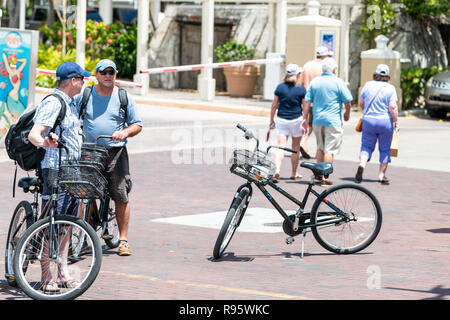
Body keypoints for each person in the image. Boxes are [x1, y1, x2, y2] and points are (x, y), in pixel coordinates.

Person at [28, 61, 90, 292]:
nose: (84, 83)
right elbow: (35, 134)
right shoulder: (54, 103)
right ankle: (46, 274)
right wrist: (44, 143)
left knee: (66, 225)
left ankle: (63, 272)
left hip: (71, 170)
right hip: (55, 169)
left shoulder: (71, 104)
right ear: (73, 81)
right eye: (82, 79)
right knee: (52, 223)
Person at [75, 59, 143, 256]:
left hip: (115, 152)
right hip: (89, 152)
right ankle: (85, 236)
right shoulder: (85, 94)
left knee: (121, 195)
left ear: (115, 74)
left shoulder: (123, 97)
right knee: (84, 195)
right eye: (103, 72)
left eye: (111, 72)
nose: (107, 76)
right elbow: (72, 115)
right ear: (96, 75)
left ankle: (123, 240)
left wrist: (125, 132)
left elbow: (137, 124)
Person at [304, 57, 353, 185]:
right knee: (329, 150)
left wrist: (305, 118)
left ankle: (318, 176)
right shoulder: (338, 82)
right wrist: (347, 113)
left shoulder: (315, 82)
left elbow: (307, 101)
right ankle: (325, 177)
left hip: (317, 120)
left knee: (320, 147)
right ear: (333, 69)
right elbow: (348, 101)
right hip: (333, 121)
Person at [355, 64, 399, 184]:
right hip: (385, 121)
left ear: (376, 74)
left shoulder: (368, 85)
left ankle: (362, 165)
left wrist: (367, 111)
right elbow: (393, 106)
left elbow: (361, 103)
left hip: (369, 120)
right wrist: (396, 121)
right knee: (385, 148)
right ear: (388, 76)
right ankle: (381, 175)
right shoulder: (391, 88)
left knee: (366, 146)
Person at [269, 63, 308, 183]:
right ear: (297, 74)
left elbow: (274, 105)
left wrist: (271, 119)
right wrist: (305, 119)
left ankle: (277, 170)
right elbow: (305, 105)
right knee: (295, 147)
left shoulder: (280, 87)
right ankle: (293, 173)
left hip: (281, 119)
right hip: (296, 119)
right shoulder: (301, 89)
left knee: (281, 146)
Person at [300, 46, 330, 159]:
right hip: (319, 100)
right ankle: (304, 142)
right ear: (325, 55)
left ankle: (303, 142)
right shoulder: (324, 67)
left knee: (308, 123)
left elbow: (303, 83)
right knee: (313, 125)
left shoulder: (307, 65)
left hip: (306, 99)